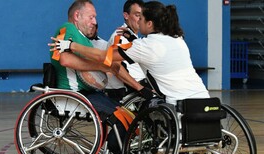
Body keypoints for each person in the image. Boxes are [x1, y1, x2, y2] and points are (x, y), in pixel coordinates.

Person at [48, 0, 153, 154]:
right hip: (75, 94)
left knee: (127, 115)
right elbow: (65, 60)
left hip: (89, 93)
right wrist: (100, 66)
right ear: (77, 16)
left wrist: (139, 87)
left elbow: (110, 63)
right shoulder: (67, 29)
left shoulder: (84, 40)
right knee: (122, 118)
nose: (95, 21)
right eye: (91, 17)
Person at [49, 1, 210, 106]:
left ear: (150, 23)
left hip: (177, 100)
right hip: (202, 97)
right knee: (121, 115)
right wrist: (106, 67)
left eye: (141, 17)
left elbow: (105, 57)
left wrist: (73, 46)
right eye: (91, 17)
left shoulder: (144, 43)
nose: (95, 22)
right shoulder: (177, 38)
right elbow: (68, 59)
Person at [105, 0, 146, 102]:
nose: (141, 19)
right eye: (137, 15)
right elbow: (116, 66)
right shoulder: (119, 36)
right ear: (126, 15)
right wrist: (140, 88)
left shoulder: (132, 37)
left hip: (137, 90)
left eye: (143, 16)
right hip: (125, 94)